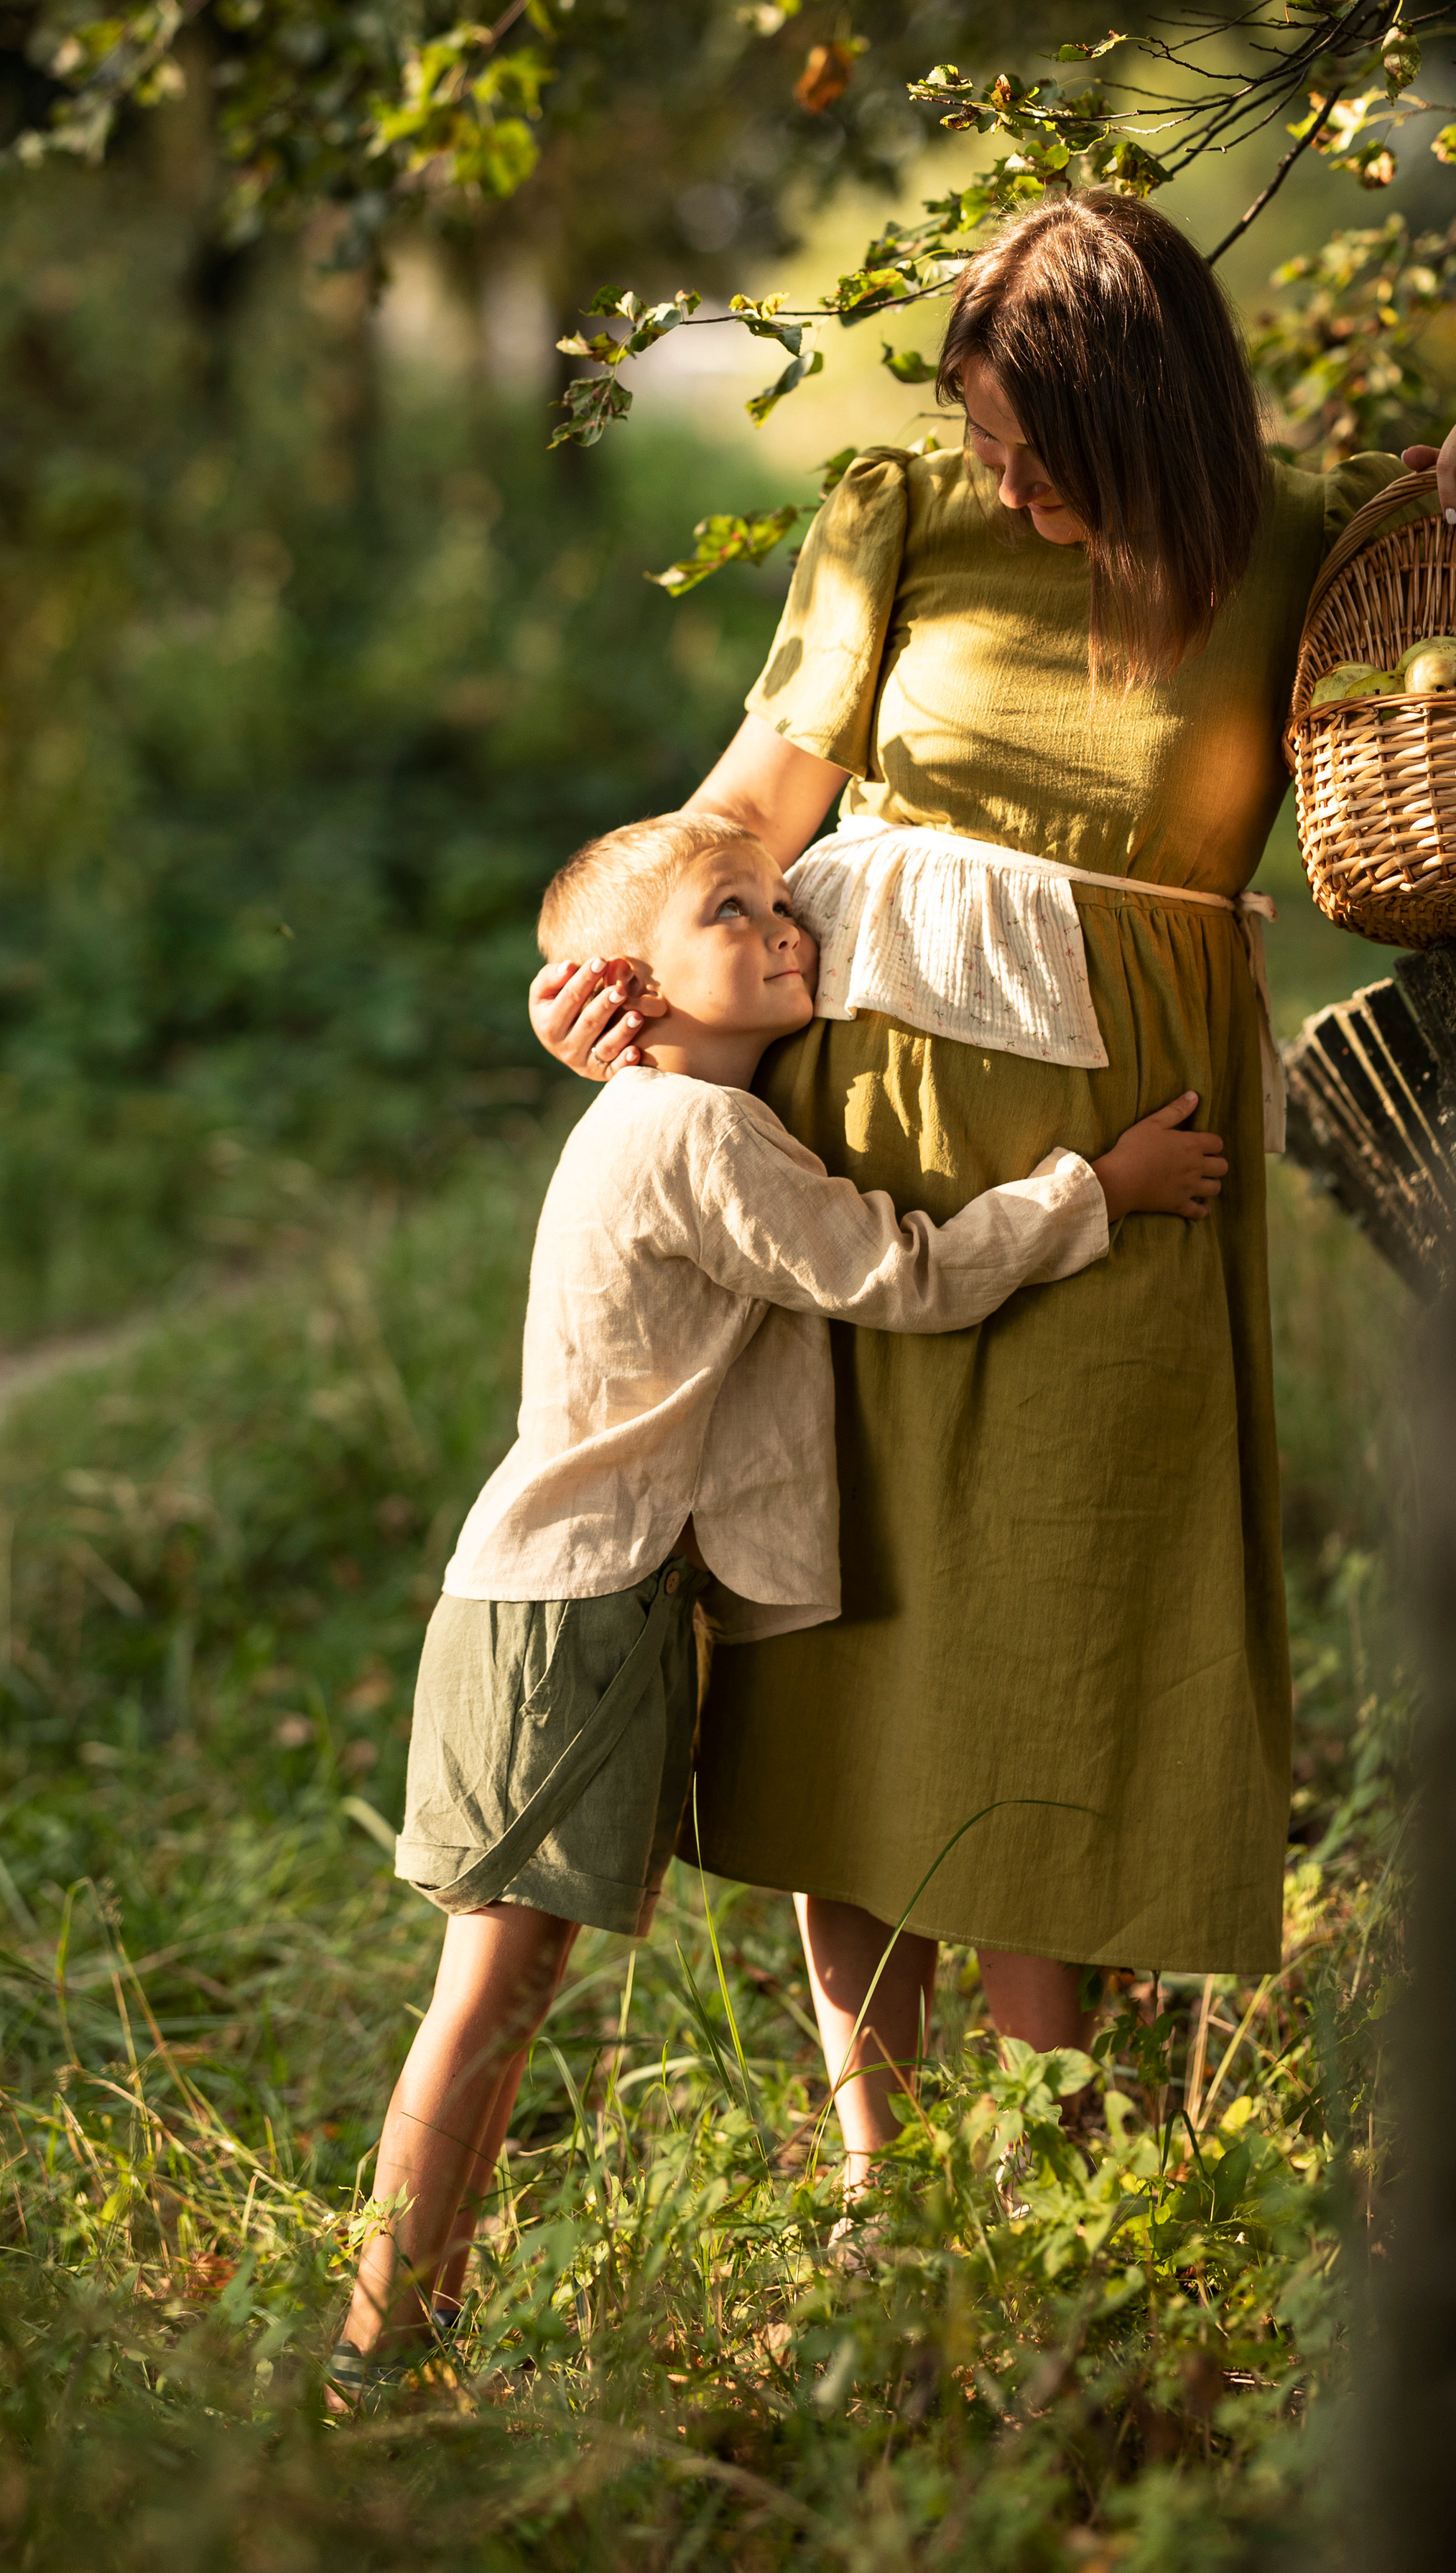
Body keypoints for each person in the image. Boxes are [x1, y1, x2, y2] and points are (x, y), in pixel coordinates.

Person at [531, 189, 1456, 2189]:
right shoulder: (899, 518)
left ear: (1149, 424)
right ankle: (883, 2176)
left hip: (1135, 1164)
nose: (1004, 483)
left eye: (1040, 449)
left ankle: (1056, 2171)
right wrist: (593, 965)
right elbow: (746, 809)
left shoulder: (1300, 545)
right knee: (865, 1629)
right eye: (987, 440)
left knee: (1071, 1618)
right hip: (857, 1149)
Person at [328, 807, 1225, 2391]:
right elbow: (904, 1274)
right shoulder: (694, 1133)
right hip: (573, 1614)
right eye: (730, 913)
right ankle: (375, 2348)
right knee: (497, 1988)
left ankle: (402, 2333)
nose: (783, 927)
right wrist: (1104, 1186)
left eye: (780, 901)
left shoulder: (667, 1114)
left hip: (567, 1600)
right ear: (629, 986)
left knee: (507, 1986)